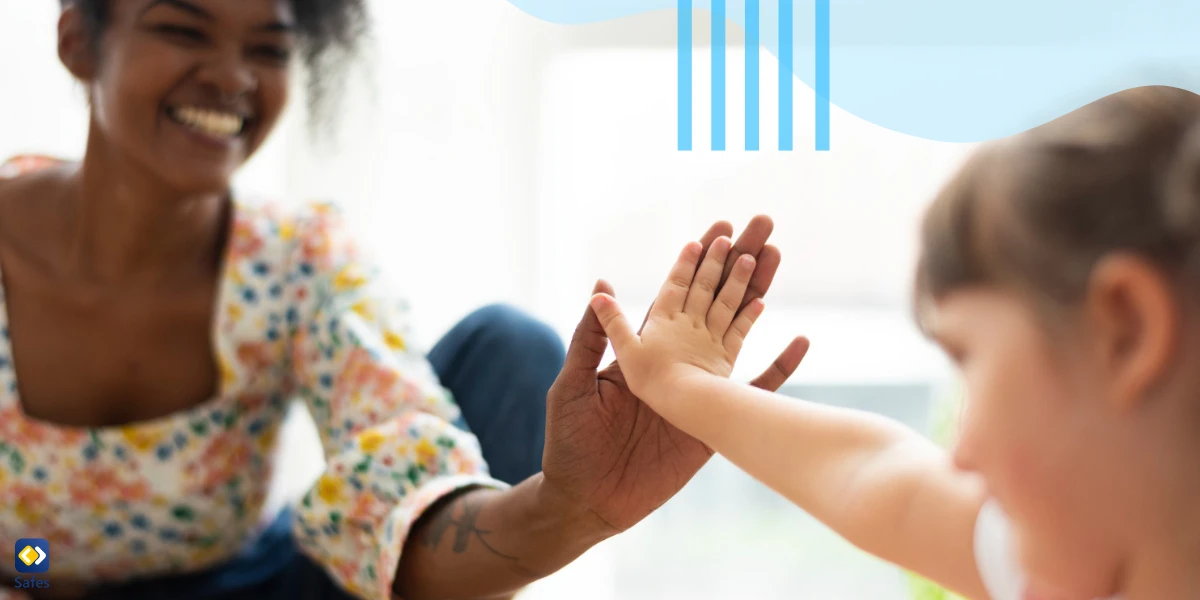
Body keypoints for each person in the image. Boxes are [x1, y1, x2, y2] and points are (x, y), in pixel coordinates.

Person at [0, 1, 808, 599]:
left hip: (243, 589)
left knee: (512, 352)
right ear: (78, 39)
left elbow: (399, 467)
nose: (232, 76)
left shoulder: (298, 259)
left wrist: (569, 511)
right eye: (182, 29)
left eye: (270, 48)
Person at [588, 85, 1200, 600]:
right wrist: (679, 385)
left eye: (972, 360)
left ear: (1127, 329)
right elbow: (875, 479)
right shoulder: (1072, 547)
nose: (961, 454)